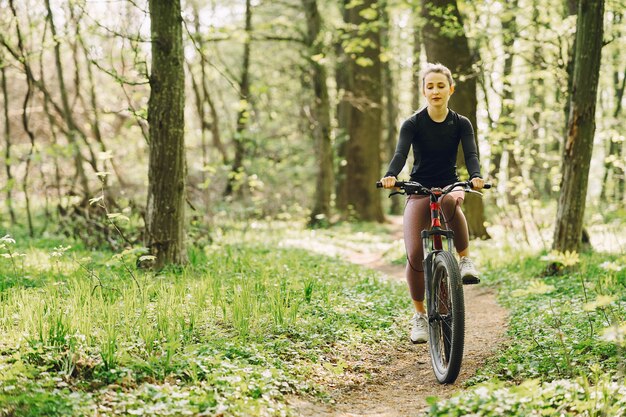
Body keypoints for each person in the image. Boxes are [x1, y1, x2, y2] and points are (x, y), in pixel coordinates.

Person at [379, 62, 485, 344]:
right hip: (418, 189)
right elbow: (401, 154)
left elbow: (471, 155)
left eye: (441, 86)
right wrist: (391, 175)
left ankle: (464, 260)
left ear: (451, 89)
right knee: (414, 255)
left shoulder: (461, 123)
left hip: (449, 184)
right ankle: (420, 316)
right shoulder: (413, 123)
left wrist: (475, 177)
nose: (435, 91)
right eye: (430, 86)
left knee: (451, 202)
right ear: (424, 91)